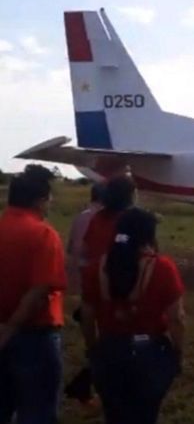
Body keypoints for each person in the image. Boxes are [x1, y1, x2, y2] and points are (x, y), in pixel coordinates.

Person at [81, 208, 185, 424]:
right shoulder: (162, 268)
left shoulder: (96, 268)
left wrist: (93, 349)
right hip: (150, 355)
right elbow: (177, 318)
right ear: (149, 236)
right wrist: (177, 352)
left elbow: (87, 316)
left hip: (109, 353)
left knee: (114, 416)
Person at [0, 166, 67, 424]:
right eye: (49, 199)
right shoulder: (43, 234)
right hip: (33, 335)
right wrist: (11, 328)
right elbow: (40, 289)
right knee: (38, 411)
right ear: (40, 201)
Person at [66, 176, 135, 405]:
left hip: (93, 278)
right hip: (120, 284)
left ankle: (93, 377)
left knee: (101, 339)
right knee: (120, 341)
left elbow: (83, 249)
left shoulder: (95, 219)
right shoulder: (130, 220)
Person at [66, 183, 104, 294]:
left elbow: (70, 247)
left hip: (74, 272)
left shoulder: (80, 217)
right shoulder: (100, 218)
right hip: (90, 273)